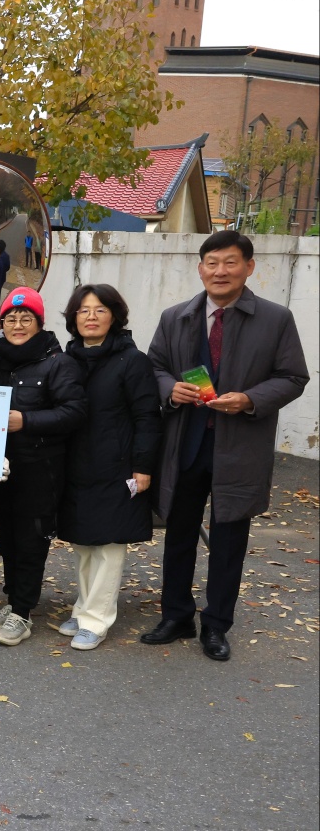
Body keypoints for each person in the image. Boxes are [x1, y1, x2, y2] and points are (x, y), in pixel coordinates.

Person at [143, 230, 309, 662]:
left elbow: (293, 377)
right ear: (200, 269)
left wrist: (252, 399)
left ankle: (217, 624)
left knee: (229, 537)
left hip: (239, 445)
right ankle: (176, 615)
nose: (220, 271)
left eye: (230, 262)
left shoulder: (275, 319)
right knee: (179, 535)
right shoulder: (175, 316)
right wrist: (169, 389)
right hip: (186, 443)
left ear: (249, 267)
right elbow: (156, 365)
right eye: (212, 263)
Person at [56, 284, 161, 651]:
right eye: (83, 310)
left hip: (117, 469)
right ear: (73, 318)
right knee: (84, 544)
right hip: (77, 468)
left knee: (109, 548)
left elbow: (148, 416)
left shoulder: (132, 361)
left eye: (100, 310)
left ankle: (97, 621)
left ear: (115, 315)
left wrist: (142, 466)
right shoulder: (68, 359)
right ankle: (83, 607)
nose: (91, 316)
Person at [0, 288, 87, 646]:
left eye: (27, 319)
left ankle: (23, 613)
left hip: (40, 467)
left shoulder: (58, 362)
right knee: (7, 537)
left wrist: (25, 420)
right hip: (1, 465)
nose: (18, 325)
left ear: (40, 323)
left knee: (30, 539)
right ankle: (13, 602)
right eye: (11, 319)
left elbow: (74, 412)